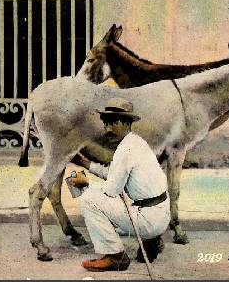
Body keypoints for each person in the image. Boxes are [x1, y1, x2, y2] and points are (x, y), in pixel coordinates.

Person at [67, 97, 170, 272]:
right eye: (106, 124)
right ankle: (152, 241)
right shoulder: (135, 142)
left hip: (149, 220)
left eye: (113, 123)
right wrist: (86, 164)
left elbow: (111, 191)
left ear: (127, 124)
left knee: (88, 199)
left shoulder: (125, 150)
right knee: (121, 197)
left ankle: (115, 256)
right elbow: (114, 175)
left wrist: (85, 183)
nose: (108, 129)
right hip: (160, 215)